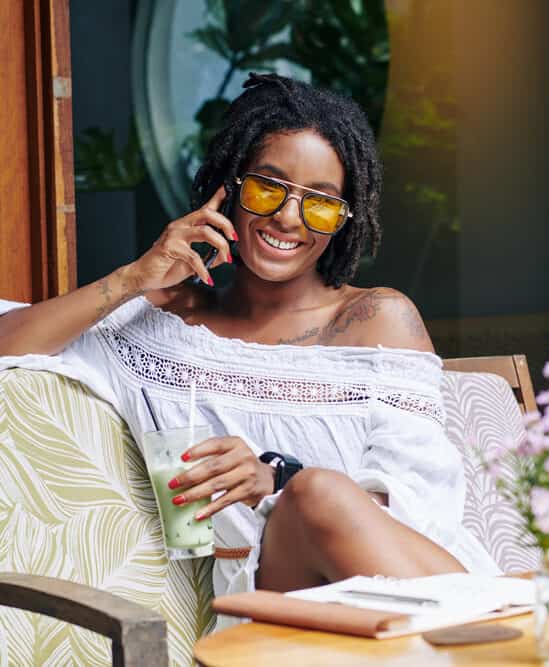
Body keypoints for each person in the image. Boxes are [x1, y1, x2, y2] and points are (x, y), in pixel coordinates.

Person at [0, 73, 500, 603]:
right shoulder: (164, 330)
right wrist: (133, 279)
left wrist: (279, 479)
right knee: (312, 494)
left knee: (315, 492)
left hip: (419, 590)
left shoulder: (376, 320)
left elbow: (423, 506)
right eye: (268, 187)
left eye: (321, 203)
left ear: (343, 222)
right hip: (281, 606)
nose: (287, 217)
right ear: (230, 187)